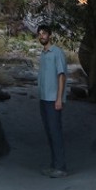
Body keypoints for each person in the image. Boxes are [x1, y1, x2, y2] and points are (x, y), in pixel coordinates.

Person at [36, 23, 68, 178]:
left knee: (55, 132)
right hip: (43, 98)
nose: (42, 36)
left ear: (50, 35)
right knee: (49, 132)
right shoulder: (43, 54)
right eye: (40, 33)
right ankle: (54, 165)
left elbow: (61, 76)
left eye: (44, 33)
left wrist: (59, 99)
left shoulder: (57, 53)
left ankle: (61, 167)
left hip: (53, 99)